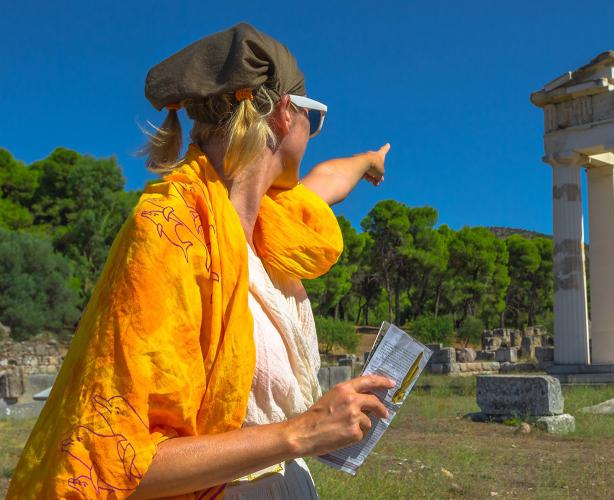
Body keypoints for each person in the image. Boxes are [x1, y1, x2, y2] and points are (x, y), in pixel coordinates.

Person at [7, 23, 395, 499]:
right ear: (283, 116)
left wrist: (368, 162)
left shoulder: (272, 227)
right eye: (314, 121)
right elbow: (119, 466)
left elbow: (328, 179)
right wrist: (301, 433)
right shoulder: (171, 234)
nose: (314, 136)